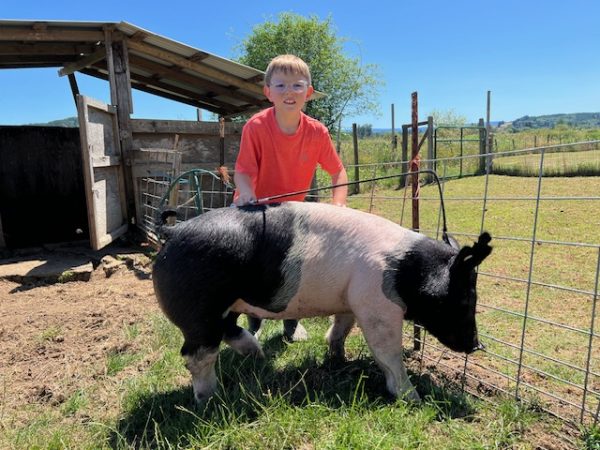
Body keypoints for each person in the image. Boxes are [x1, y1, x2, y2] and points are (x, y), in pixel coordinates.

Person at [233, 54, 349, 341]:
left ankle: (291, 324)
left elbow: (338, 172)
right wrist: (247, 194)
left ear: (308, 93)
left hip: (291, 211)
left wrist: (339, 205)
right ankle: (254, 324)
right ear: (268, 92)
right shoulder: (256, 127)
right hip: (254, 210)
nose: (289, 92)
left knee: (294, 265)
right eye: (281, 85)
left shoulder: (317, 132)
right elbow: (243, 172)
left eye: (297, 86)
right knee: (254, 270)